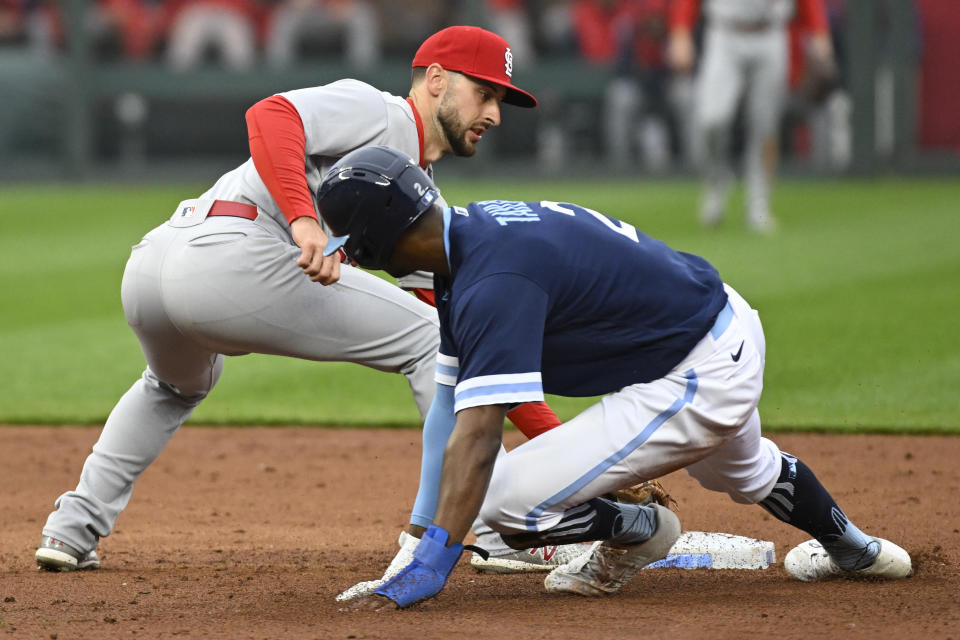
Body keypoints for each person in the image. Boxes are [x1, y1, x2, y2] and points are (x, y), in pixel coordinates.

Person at [35, 25, 573, 575]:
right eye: (484, 94)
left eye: (500, 100)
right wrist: (302, 220)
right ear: (435, 80)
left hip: (156, 268)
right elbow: (270, 115)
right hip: (229, 255)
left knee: (174, 385)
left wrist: (567, 450)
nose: (495, 114)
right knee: (429, 347)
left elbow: (466, 342)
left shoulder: (416, 199)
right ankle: (493, 526)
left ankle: (70, 530)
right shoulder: (383, 115)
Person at [315, 145, 913, 609]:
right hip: (716, 327)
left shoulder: (490, 283)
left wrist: (434, 563)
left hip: (695, 373)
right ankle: (857, 551)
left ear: (371, 239)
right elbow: (447, 403)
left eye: (354, 246)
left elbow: (475, 439)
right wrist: (417, 542)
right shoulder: (471, 238)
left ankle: (642, 530)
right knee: (746, 468)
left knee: (500, 503)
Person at [667, 0, 835, 233]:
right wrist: (680, 30)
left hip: (771, 33)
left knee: (766, 126)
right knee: (711, 119)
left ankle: (759, 204)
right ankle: (717, 180)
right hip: (724, 32)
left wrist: (819, 31)